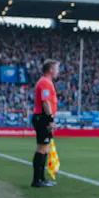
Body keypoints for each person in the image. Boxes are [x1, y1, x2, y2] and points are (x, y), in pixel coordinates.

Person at [32, 60, 60, 188]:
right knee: (42, 148)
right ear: (50, 69)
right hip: (42, 117)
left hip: (43, 117)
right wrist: (50, 119)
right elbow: (45, 102)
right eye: (56, 68)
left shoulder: (47, 82)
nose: (58, 71)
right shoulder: (44, 82)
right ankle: (37, 180)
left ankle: (41, 179)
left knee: (45, 149)